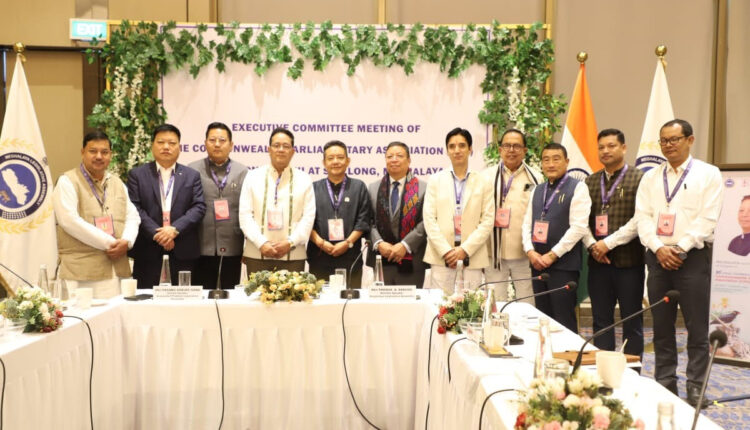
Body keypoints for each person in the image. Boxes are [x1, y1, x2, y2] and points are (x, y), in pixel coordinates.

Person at [634, 119, 723, 405]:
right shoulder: (650, 177)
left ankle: (696, 386)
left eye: (674, 139)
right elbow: (642, 218)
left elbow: (708, 218)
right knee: (661, 326)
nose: (668, 145)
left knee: (697, 327)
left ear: (690, 140)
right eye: (664, 140)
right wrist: (659, 248)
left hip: (693, 259)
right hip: (658, 257)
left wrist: (680, 248)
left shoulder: (708, 174)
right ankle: (665, 381)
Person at [52, 131, 141, 298]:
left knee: (116, 315)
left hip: (116, 271)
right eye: (93, 151)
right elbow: (69, 221)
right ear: (82, 152)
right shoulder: (67, 181)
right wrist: (110, 243)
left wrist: (127, 241)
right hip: (81, 274)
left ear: (110, 155)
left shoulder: (117, 183)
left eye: (104, 152)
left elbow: (133, 216)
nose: (99, 156)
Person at [582, 129, 645, 357]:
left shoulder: (640, 178)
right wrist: (592, 245)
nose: (605, 151)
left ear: (624, 148)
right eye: (601, 147)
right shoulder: (590, 181)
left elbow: (640, 219)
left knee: (632, 322)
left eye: (611, 146)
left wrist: (607, 243)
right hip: (598, 263)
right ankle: (603, 369)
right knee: (601, 322)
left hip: (629, 263)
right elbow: (581, 221)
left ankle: (632, 371)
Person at [522, 143, 591, 333]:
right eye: (546, 160)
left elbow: (578, 227)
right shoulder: (538, 190)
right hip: (537, 264)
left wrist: (552, 255)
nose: (551, 164)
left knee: (563, 320)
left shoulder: (578, 188)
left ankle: (568, 353)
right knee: (543, 318)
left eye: (556, 159)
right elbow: (526, 224)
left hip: (563, 267)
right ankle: (545, 352)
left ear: (566, 162)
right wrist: (530, 251)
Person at [127, 124, 206, 289]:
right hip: (148, 250)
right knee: (147, 299)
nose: (166, 147)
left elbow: (198, 207)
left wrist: (174, 229)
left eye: (172, 143)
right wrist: (158, 234)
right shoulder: (137, 175)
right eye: (161, 142)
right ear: (152, 146)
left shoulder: (191, 175)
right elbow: (134, 208)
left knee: (183, 300)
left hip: (182, 249)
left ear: (179, 147)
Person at [423, 127, 494, 294]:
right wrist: (446, 251)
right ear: (447, 151)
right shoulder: (435, 180)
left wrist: (465, 249)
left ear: (470, 149)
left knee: (471, 305)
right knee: (440, 304)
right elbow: (429, 219)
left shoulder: (483, 181)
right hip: (442, 257)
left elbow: (487, 220)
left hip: (472, 256)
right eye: (452, 146)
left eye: (462, 145)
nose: (457, 150)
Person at [239, 127, 315, 273]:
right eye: (276, 145)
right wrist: (261, 243)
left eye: (286, 146)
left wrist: (290, 242)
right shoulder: (252, 176)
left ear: (292, 151)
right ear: (269, 149)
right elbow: (245, 215)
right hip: (257, 253)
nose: (281, 149)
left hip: (293, 255)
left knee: (293, 289)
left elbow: (308, 217)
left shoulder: (304, 179)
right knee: (257, 289)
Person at [481, 129, 541, 303]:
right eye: (507, 145)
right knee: (495, 302)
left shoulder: (535, 178)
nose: (511, 150)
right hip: (494, 252)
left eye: (516, 146)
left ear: (525, 150)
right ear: (500, 150)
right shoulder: (486, 177)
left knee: (527, 302)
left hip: (523, 252)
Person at [188, 122, 248, 289]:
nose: (217, 144)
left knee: (229, 294)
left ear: (231, 145)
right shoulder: (192, 170)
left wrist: (247, 247)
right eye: (212, 140)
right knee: (201, 295)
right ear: (205, 143)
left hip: (232, 244)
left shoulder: (242, 172)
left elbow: (247, 211)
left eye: (222, 140)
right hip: (201, 243)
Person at [308, 141, 371, 287]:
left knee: (350, 298)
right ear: (324, 163)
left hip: (350, 256)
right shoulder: (313, 188)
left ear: (347, 161)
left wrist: (347, 243)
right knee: (320, 298)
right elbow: (306, 220)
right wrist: (321, 243)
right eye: (330, 158)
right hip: (319, 256)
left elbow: (363, 220)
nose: (335, 161)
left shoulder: (359, 187)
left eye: (340, 157)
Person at [367, 141, 428, 287]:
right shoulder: (373, 188)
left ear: (409, 160)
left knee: (410, 302)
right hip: (381, 260)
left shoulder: (424, 188)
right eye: (390, 156)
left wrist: (405, 245)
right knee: (381, 301)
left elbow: (426, 221)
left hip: (412, 261)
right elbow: (368, 220)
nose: (394, 160)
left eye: (399, 156)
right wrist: (379, 243)